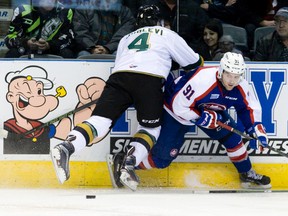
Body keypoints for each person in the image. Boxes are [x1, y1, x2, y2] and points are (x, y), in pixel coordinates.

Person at [50, 5, 203, 190]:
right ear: (160, 21)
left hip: (119, 77)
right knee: (150, 128)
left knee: (100, 120)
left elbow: (126, 62)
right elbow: (194, 63)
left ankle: (66, 147)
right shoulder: (165, 33)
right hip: (150, 79)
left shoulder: (126, 38)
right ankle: (128, 165)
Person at [111, 52, 271, 190]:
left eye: (236, 76)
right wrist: (202, 118)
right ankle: (125, 162)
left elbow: (248, 109)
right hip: (175, 111)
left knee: (233, 139)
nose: (232, 80)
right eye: (229, 75)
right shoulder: (203, 79)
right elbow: (178, 104)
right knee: (162, 159)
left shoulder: (240, 86)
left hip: (208, 111)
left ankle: (246, 173)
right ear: (221, 70)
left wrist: (257, 132)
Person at [4, 0, 75, 58]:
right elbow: (9, 39)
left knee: (67, 53)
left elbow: (69, 40)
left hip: (53, 49)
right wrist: (26, 43)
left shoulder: (65, 11)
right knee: (12, 53)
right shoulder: (22, 10)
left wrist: (49, 45)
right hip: (26, 50)